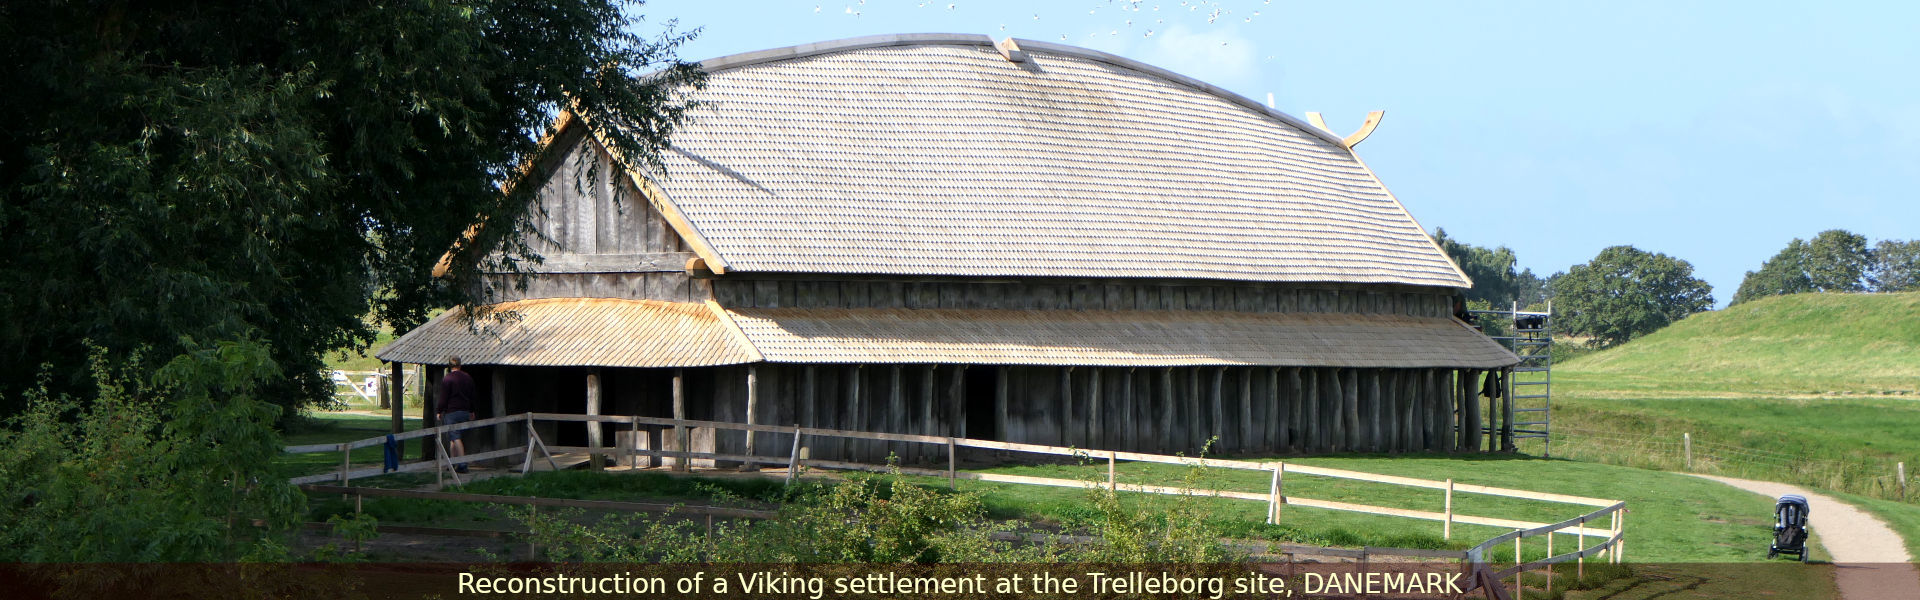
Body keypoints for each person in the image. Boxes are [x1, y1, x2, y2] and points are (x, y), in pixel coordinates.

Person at [437, 356, 477, 473]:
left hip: (452, 412)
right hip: (465, 412)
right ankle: (451, 464)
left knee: (456, 437)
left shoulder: (448, 379)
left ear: (449, 366)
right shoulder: (468, 378)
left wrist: (439, 411)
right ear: (460, 365)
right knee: (453, 438)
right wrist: (472, 411)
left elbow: (444, 398)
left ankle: (462, 464)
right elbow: (472, 396)